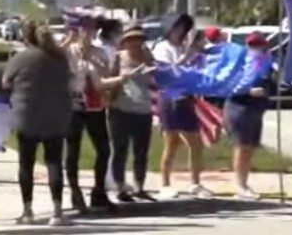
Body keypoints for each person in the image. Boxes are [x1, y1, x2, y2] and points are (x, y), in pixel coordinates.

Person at [62, 16, 138, 212]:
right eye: (85, 30)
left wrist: (117, 78)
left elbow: (101, 81)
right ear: (77, 31)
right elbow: (51, 61)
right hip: (73, 106)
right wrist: (68, 44)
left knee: (103, 149)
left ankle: (99, 192)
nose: (89, 34)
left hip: (94, 106)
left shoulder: (100, 53)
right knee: (73, 151)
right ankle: (75, 192)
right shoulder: (68, 51)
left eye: (92, 30)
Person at [2, 21, 72, 226]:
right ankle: (57, 213)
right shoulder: (60, 57)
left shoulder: (21, 57)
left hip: (27, 116)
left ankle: (27, 211)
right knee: (54, 163)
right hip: (56, 116)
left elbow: (5, 82)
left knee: (26, 164)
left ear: (27, 37)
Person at [153, 13, 214, 200]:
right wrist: (186, 55)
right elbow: (170, 71)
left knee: (195, 143)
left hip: (186, 99)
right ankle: (165, 184)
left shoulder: (185, 48)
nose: (180, 31)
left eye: (183, 28)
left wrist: (195, 51)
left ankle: (195, 183)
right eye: (177, 27)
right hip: (170, 99)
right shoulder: (162, 48)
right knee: (171, 143)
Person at [108, 25, 156, 202]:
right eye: (131, 39)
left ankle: (140, 186)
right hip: (120, 110)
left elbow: (156, 78)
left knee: (141, 151)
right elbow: (108, 81)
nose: (135, 43)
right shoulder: (119, 58)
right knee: (120, 150)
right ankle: (121, 188)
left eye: (139, 39)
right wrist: (120, 81)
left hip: (143, 110)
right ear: (125, 42)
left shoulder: (148, 58)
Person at [224, 32, 272, 200]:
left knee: (249, 147)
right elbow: (229, 85)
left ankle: (244, 183)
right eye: (253, 45)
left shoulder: (264, 62)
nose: (256, 49)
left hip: (255, 108)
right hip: (238, 106)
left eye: (258, 45)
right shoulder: (240, 62)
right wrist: (249, 91)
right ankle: (240, 186)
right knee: (242, 146)